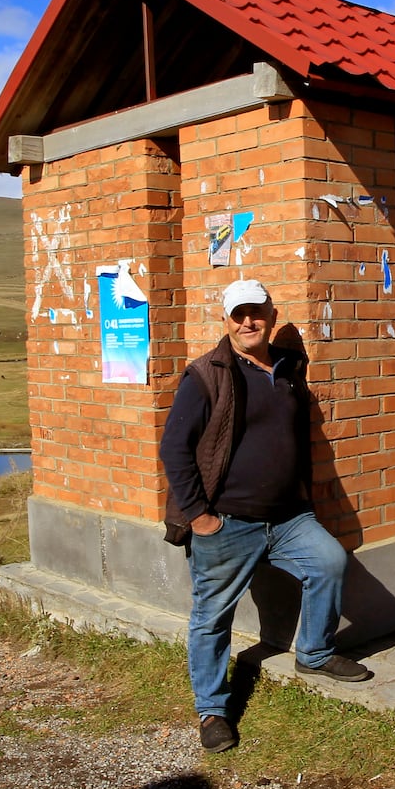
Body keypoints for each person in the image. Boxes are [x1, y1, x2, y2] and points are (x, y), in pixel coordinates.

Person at [160, 279, 369, 754]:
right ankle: (212, 709)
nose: (248, 322)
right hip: (228, 521)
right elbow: (174, 449)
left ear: (272, 315)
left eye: (256, 312)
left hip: (289, 517)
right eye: (238, 314)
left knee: (330, 563)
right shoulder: (206, 375)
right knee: (212, 616)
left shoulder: (288, 368)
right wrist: (200, 517)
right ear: (225, 321)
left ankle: (313, 654)